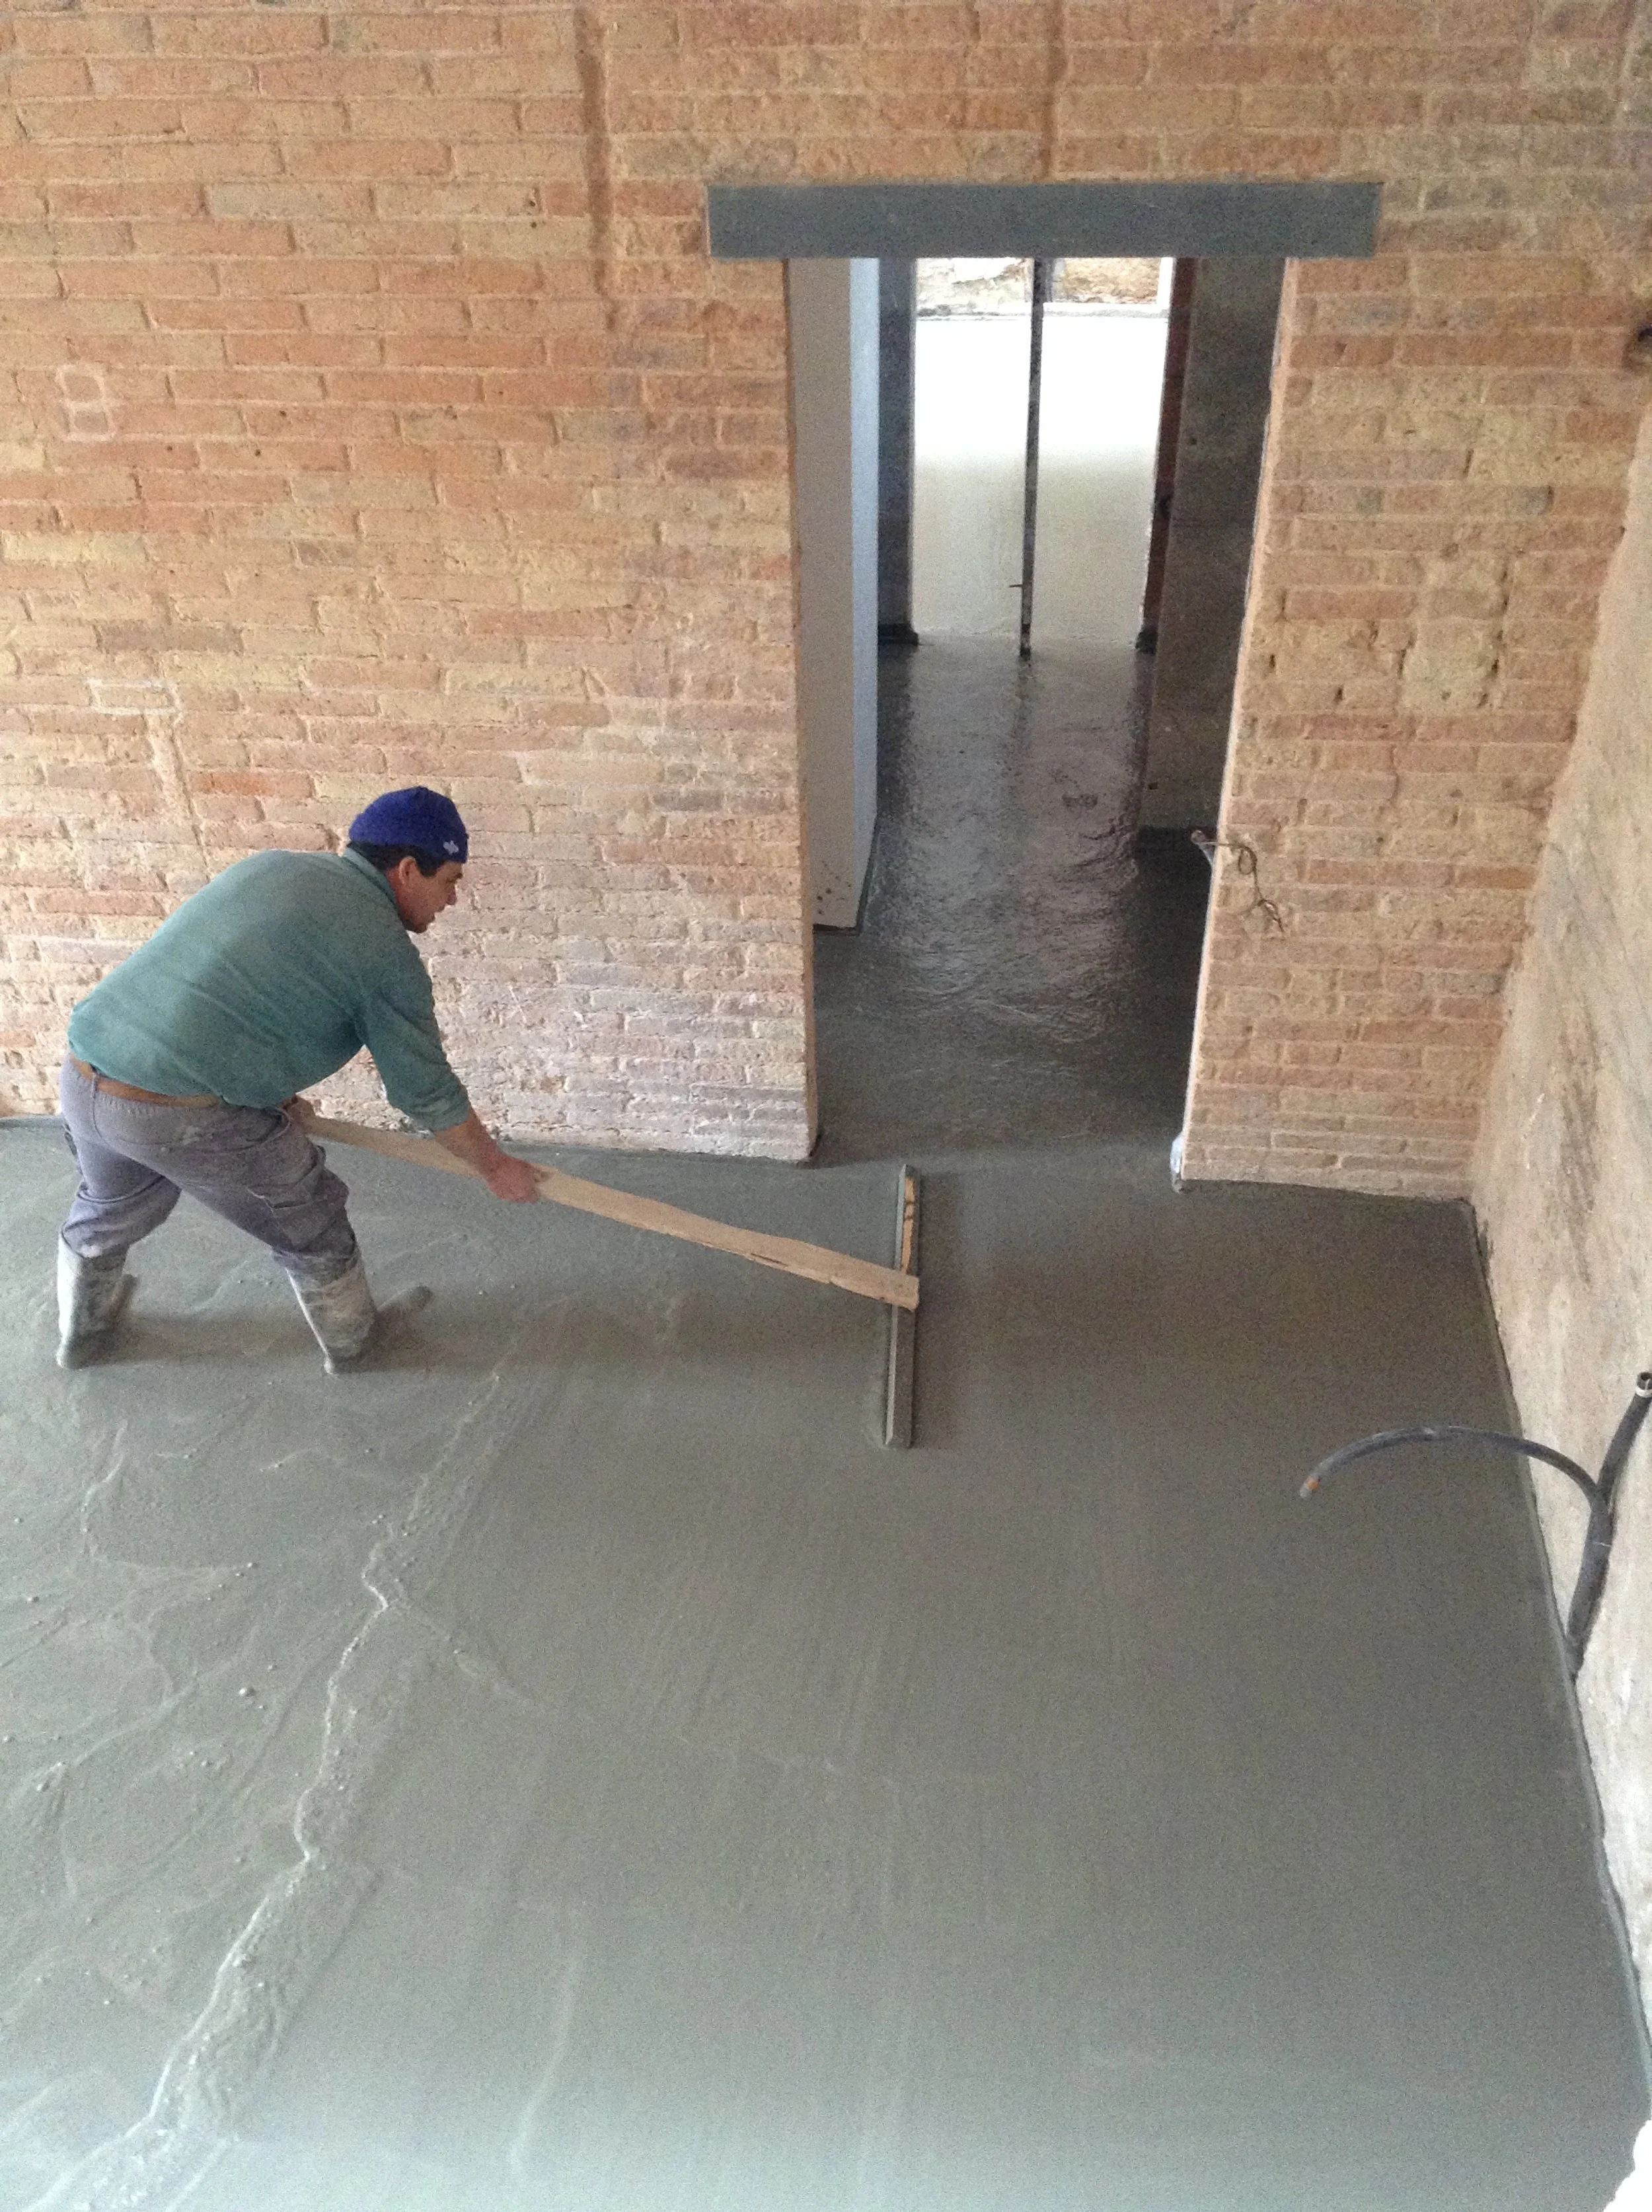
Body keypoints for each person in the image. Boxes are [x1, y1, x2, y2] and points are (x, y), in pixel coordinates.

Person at [55, 786, 540, 1373]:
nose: (453, 899)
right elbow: (425, 1093)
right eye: (451, 880)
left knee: (112, 1205)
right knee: (310, 1218)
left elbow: (227, 986)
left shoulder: (273, 867)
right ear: (409, 869)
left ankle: (81, 1331)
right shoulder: (383, 951)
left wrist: (264, 1085)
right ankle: (356, 1342)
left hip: (86, 1071)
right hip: (177, 1115)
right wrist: (495, 1165)